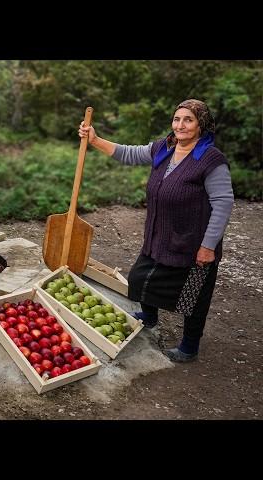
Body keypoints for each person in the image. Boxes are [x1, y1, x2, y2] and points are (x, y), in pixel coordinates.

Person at [78, 99, 234, 362]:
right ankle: (149, 316)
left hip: (194, 241)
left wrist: (208, 246)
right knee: (139, 278)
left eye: (188, 120)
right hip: (161, 234)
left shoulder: (210, 159)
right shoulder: (165, 147)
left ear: (201, 125)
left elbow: (223, 202)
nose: (180, 125)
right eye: (176, 119)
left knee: (192, 297)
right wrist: (94, 139)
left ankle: (189, 347)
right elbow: (128, 153)